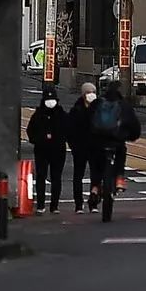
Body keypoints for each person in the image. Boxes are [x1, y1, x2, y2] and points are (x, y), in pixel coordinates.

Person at [87, 79, 141, 211]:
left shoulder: (97, 103)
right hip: (116, 141)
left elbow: (87, 121)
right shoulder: (124, 105)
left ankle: (95, 187)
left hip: (98, 141)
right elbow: (134, 126)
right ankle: (119, 178)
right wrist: (130, 136)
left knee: (96, 164)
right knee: (121, 153)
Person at [26, 85, 67, 214]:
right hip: (41, 150)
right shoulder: (38, 115)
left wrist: (61, 139)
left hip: (58, 150)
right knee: (41, 176)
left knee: (56, 177)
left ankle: (54, 206)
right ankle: (40, 205)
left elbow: (68, 129)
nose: (50, 102)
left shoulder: (61, 114)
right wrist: (37, 140)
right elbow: (30, 130)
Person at [66, 83, 97, 213]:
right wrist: (74, 146)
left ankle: (94, 202)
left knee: (96, 176)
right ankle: (78, 204)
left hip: (95, 148)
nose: (91, 95)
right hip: (80, 149)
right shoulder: (76, 110)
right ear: (83, 94)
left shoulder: (99, 109)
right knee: (78, 175)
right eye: (88, 92)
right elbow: (69, 130)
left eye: (93, 92)